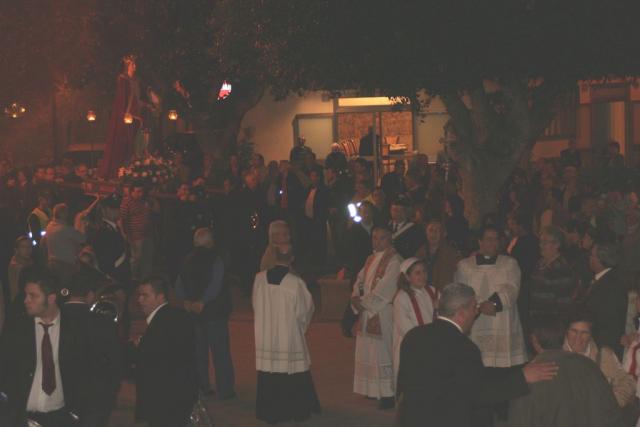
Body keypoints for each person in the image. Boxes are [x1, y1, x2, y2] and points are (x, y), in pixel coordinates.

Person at [396, 283, 557, 427]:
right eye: (474, 308)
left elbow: (405, 385)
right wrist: (522, 378)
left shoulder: (414, 336)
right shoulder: (463, 347)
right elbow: (479, 394)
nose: (476, 312)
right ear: (461, 313)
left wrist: (519, 370)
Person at [0, 266, 89, 426]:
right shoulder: (16, 328)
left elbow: (85, 374)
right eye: (26, 295)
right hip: (21, 418)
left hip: (61, 417)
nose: (26, 300)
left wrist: (77, 413)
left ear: (51, 298)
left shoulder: (74, 329)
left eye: (33, 296)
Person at [508, 316, 625, 427]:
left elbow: (520, 421)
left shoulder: (529, 376)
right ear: (564, 335)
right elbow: (611, 413)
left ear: (534, 340)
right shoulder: (590, 366)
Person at [252, 244, 321, 424]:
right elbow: (305, 310)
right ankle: (296, 411)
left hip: (266, 335)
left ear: (274, 257)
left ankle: (270, 412)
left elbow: (255, 305)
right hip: (288, 336)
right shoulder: (295, 283)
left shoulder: (259, 279)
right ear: (292, 259)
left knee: (269, 372)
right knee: (292, 370)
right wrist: (300, 328)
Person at [454, 225, 527, 369]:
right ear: (480, 241)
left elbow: (512, 288)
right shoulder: (465, 266)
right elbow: (461, 292)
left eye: (496, 239)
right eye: (489, 239)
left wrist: (495, 303)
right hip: (475, 320)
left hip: (502, 320)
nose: (493, 243)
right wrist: (478, 306)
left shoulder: (509, 264)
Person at [175, 228, 236, 399]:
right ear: (210, 242)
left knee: (199, 352)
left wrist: (186, 301)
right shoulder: (217, 259)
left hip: (194, 313)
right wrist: (202, 302)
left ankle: (202, 386)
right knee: (220, 353)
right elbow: (216, 285)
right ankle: (225, 389)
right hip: (214, 312)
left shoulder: (187, 260)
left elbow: (179, 283)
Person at [62, 269, 123, 426]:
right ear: (90, 294)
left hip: (59, 397)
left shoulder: (55, 318)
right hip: (93, 398)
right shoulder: (103, 322)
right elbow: (115, 362)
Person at [351, 227, 402, 409]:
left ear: (390, 239)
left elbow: (387, 287)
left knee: (384, 351)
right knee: (369, 351)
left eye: (382, 238)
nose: (377, 241)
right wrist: (355, 297)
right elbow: (359, 280)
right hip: (368, 311)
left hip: (383, 312)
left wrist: (364, 303)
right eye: (374, 237)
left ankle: (388, 393)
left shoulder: (395, 260)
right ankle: (373, 389)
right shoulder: (370, 259)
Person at [135, 277, 198, 427]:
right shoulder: (178, 316)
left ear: (160, 297)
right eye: (139, 295)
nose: (139, 300)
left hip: (164, 400)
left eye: (145, 295)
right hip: (182, 394)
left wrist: (140, 347)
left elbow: (152, 363)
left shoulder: (159, 324)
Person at [563, 311, 635, 408]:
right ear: (566, 331)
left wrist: (608, 404)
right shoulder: (555, 354)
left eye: (584, 333)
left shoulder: (605, 355)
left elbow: (628, 383)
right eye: (574, 331)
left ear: (591, 334)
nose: (578, 337)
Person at [392, 258, 437, 387]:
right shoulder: (401, 298)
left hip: (431, 344)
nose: (423, 276)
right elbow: (405, 327)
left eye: (424, 272)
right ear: (407, 277)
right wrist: (425, 342)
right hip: (412, 345)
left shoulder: (432, 291)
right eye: (417, 273)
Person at [99, 55, 144, 180]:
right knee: (124, 142)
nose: (135, 66)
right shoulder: (123, 80)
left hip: (136, 115)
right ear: (128, 66)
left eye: (135, 64)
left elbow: (137, 98)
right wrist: (125, 114)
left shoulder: (136, 81)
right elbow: (122, 99)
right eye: (132, 64)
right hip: (127, 116)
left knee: (136, 142)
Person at [583, 243, 628, 359]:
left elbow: (609, 322)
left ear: (600, 259)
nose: (589, 258)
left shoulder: (611, 284)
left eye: (591, 255)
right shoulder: (603, 279)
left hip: (604, 346)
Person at [528, 226, 576, 320]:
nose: (541, 245)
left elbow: (564, 302)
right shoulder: (540, 263)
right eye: (540, 242)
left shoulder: (562, 268)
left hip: (551, 321)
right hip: (536, 317)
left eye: (545, 242)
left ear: (557, 244)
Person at [88, 193, 130, 284]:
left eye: (117, 208)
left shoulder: (114, 228)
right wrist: (112, 280)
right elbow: (104, 261)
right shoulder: (103, 231)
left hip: (120, 274)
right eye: (112, 209)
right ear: (104, 210)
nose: (116, 211)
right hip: (114, 277)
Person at [41, 203, 86, 285]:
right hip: (65, 265)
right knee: (66, 288)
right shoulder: (65, 229)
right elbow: (82, 239)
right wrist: (81, 221)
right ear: (64, 214)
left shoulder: (49, 227)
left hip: (52, 263)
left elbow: (42, 243)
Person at [120, 183, 156, 281]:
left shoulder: (145, 201)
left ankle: (145, 279)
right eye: (138, 191)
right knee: (136, 258)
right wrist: (126, 235)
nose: (140, 194)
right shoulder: (126, 202)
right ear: (132, 192)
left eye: (142, 191)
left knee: (148, 258)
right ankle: (133, 278)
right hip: (135, 236)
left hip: (148, 235)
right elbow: (122, 219)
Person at [416, 220, 461, 291]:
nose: (433, 234)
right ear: (426, 232)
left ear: (444, 233)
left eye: (437, 230)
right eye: (430, 230)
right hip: (422, 292)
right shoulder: (419, 253)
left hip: (443, 293)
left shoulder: (452, 254)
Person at [7, 235, 34, 303]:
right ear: (16, 249)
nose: (27, 249)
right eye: (23, 247)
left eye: (29, 246)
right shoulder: (17, 267)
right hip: (22, 302)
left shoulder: (29, 262)